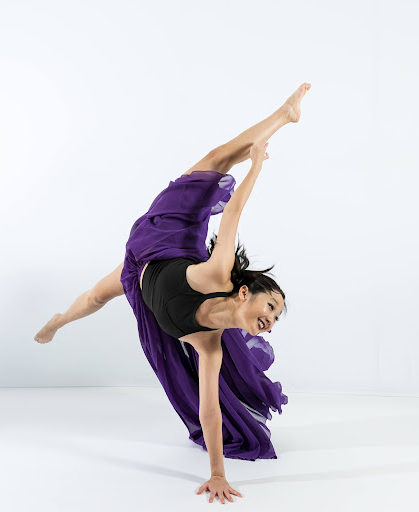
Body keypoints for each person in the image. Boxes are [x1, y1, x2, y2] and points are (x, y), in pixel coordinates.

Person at [35, 83, 311, 503]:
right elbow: (233, 211)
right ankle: (283, 114)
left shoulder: (210, 347)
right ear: (243, 293)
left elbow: (209, 410)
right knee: (218, 159)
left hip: (139, 272)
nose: (270, 319)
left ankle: (59, 320)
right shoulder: (217, 274)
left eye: (275, 319)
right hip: (168, 235)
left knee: (95, 298)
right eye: (270, 305)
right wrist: (256, 164)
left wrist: (217, 473)